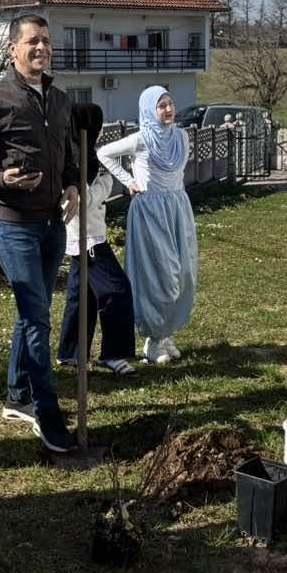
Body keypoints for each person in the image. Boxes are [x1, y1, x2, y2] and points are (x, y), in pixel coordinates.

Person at [0, 14, 80, 452]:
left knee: (34, 312)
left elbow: (67, 154)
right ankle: (47, 412)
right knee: (37, 318)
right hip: (13, 223)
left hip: (51, 222)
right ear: (13, 49)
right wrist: (2, 179)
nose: (41, 48)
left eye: (46, 41)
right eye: (32, 42)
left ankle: (16, 395)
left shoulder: (60, 100)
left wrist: (71, 184)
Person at [97, 86, 198, 365]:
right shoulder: (140, 140)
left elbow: (177, 171)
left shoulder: (181, 136)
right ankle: (153, 340)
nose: (168, 109)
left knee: (183, 272)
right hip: (150, 210)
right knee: (161, 275)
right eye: (161, 105)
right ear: (149, 111)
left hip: (177, 208)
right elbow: (104, 153)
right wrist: (129, 181)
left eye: (170, 103)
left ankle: (166, 333)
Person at [57, 102, 137, 375]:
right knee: (117, 290)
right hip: (87, 239)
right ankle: (113, 354)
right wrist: (105, 184)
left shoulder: (85, 153)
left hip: (87, 234)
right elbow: (82, 200)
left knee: (83, 297)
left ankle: (70, 352)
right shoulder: (75, 158)